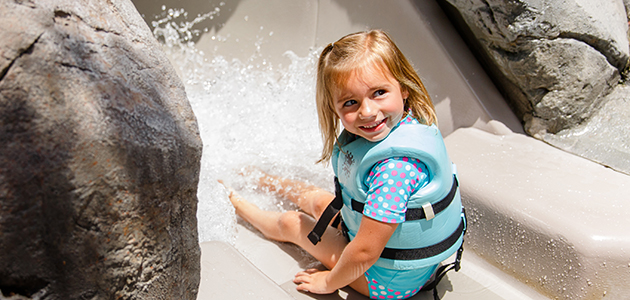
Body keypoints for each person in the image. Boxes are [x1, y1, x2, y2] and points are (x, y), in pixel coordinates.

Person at [222, 30, 465, 300]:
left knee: (293, 223)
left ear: (404, 87)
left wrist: (328, 281)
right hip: (397, 256)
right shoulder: (406, 125)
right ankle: (257, 177)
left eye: (379, 92)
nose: (368, 111)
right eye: (351, 102)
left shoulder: (394, 171)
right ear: (334, 108)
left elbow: (365, 252)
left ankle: (232, 201)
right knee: (315, 199)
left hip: (389, 280)